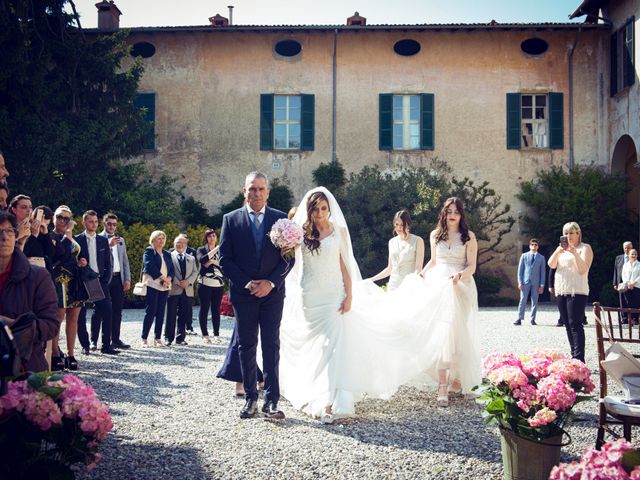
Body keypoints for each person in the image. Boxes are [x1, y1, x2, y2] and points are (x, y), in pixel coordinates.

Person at [280, 190, 481, 423]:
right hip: (312, 295)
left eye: (324, 208)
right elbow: (291, 260)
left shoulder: (339, 232)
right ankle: (315, 389)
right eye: (316, 209)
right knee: (317, 345)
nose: (320, 213)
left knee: (453, 334)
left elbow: (344, 265)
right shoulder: (302, 233)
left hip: (454, 286)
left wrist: (349, 294)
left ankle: (331, 399)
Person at [219, 171, 292, 420]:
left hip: (272, 294)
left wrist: (271, 283)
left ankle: (271, 401)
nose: (256, 193)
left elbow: (289, 259)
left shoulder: (281, 220)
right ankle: (250, 398)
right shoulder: (231, 220)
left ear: (267, 192)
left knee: (271, 345)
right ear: (244, 191)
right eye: (252, 189)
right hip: (244, 294)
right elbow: (225, 260)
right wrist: (247, 283)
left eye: (261, 189)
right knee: (246, 346)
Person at [0, 210, 58, 372]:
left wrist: (11, 326)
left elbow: (51, 324)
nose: (4, 237)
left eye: (9, 231)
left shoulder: (37, 277)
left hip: (24, 370)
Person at [547, 222, 593, 363]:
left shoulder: (585, 248)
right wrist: (557, 251)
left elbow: (583, 269)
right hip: (562, 290)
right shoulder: (561, 250)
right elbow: (551, 264)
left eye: (571, 233)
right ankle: (574, 354)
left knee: (575, 324)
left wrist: (574, 253)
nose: (568, 236)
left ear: (578, 233)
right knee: (567, 324)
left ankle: (579, 358)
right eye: (566, 233)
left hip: (577, 291)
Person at [75, 210, 117, 355]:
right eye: (90, 221)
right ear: (84, 222)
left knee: (107, 312)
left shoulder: (102, 240)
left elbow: (108, 262)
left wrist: (105, 280)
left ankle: (106, 346)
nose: (93, 224)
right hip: (82, 282)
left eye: (95, 221)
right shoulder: (76, 240)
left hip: (100, 281)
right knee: (80, 315)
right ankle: (85, 345)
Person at [50, 205, 84, 370]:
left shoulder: (72, 237)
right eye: (60, 217)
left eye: (66, 218)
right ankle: (55, 353)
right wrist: (69, 233)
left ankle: (71, 354)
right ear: (53, 218)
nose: (63, 221)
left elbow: (74, 254)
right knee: (58, 318)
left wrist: (82, 261)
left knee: (73, 319)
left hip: (74, 280)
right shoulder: (50, 235)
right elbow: (60, 253)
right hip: (59, 280)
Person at [91, 213, 131, 350]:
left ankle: (115, 339)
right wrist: (108, 245)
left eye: (114, 224)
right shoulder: (98, 238)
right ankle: (94, 341)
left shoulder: (121, 240)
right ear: (103, 223)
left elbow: (125, 261)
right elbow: (96, 258)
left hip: (118, 278)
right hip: (103, 279)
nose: (112, 227)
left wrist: (127, 278)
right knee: (99, 311)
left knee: (117, 310)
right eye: (109, 224)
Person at [367, 210, 425, 291]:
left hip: (409, 287)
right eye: (397, 224)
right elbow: (390, 268)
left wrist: (412, 283)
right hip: (393, 286)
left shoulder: (418, 241)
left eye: (402, 224)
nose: (399, 227)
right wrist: (371, 280)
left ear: (408, 224)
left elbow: (418, 268)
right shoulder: (391, 242)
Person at [141, 230, 174, 347]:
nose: (162, 241)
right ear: (153, 240)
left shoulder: (167, 253)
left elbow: (171, 270)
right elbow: (149, 266)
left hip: (165, 286)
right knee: (150, 311)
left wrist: (168, 279)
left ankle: (157, 338)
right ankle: (144, 338)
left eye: (163, 238)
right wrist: (163, 278)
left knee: (160, 312)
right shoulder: (149, 251)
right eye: (159, 238)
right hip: (153, 284)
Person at [164, 235, 198, 346]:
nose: (180, 245)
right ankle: (168, 338)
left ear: (186, 245)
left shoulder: (191, 258)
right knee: (171, 314)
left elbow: (195, 272)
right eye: (178, 242)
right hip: (173, 289)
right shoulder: (168, 256)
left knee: (184, 315)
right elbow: (168, 271)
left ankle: (181, 338)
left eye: (182, 243)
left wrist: (188, 282)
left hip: (187, 290)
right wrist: (179, 282)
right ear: (174, 244)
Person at [196, 229, 224, 344]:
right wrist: (214, 251)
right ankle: (205, 334)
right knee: (204, 309)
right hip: (204, 283)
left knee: (216, 310)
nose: (212, 238)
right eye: (209, 236)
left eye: (214, 236)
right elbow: (202, 261)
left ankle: (216, 334)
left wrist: (212, 262)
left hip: (218, 284)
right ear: (206, 238)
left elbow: (224, 265)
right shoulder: (201, 249)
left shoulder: (222, 250)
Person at [514, 238, 546, 326]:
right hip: (525, 282)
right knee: (522, 300)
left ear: (538, 247)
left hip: (536, 283)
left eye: (535, 245)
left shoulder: (541, 258)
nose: (534, 246)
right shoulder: (524, 256)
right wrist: (520, 282)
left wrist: (542, 285)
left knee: (534, 301)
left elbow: (543, 272)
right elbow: (520, 271)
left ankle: (533, 319)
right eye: (532, 245)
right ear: (529, 246)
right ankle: (519, 318)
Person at [614, 241, 634, 324]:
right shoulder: (618, 258)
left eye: (629, 247)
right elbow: (615, 271)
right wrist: (615, 283)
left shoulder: (634, 257)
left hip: (631, 283)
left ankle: (633, 318)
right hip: (621, 283)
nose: (627, 249)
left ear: (632, 248)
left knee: (632, 300)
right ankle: (624, 318)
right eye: (625, 247)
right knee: (622, 301)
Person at [621, 249, 640, 325]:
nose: (634, 256)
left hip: (637, 286)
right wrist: (628, 283)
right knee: (628, 303)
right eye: (632, 254)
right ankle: (627, 319)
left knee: (636, 303)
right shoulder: (625, 265)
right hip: (627, 286)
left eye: (635, 254)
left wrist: (634, 283)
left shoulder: (639, 264)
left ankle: (635, 319)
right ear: (628, 255)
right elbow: (623, 275)